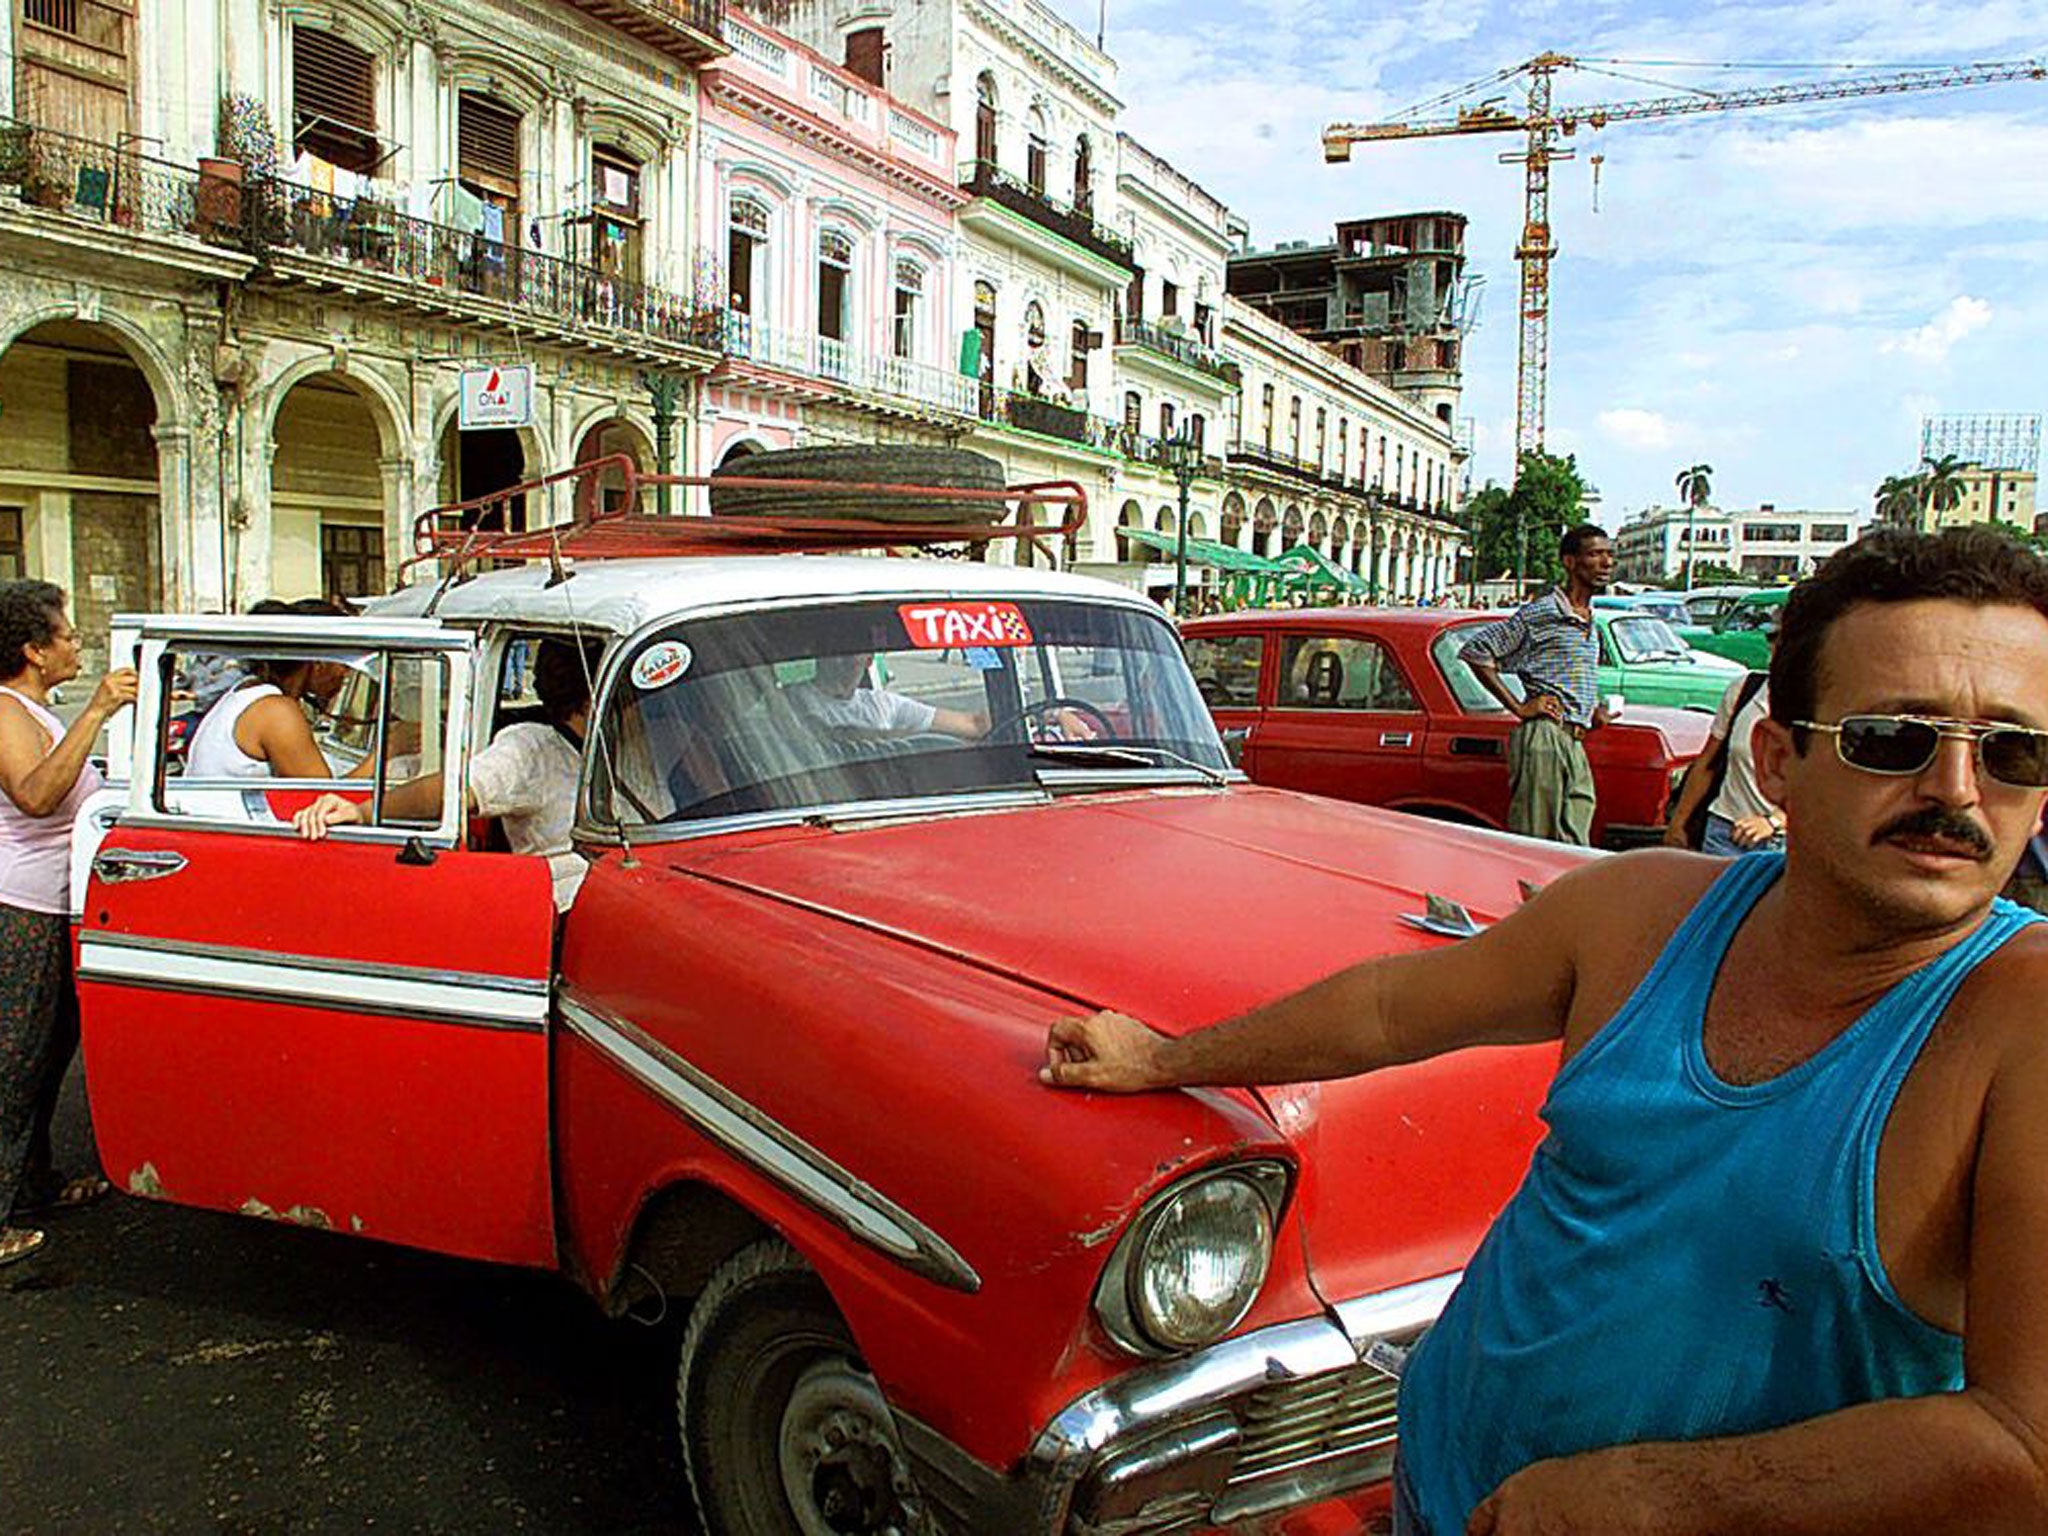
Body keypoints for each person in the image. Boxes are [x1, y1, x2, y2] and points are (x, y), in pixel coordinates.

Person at [1042, 525, 2048, 1535]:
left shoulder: (2017, 1022)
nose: (1955, 793)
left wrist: (1646, 1499)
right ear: (1775, 763)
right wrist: (1164, 1058)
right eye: (1890, 739)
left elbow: (2024, 1447)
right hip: (1442, 1483)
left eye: (2013, 751)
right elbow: (1392, 1009)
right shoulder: (1640, 911)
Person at [0, 581, 136, 1267]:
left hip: (53, 902)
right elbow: (36, 794)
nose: (77, 643)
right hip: (17, 908)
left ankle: (31, 1185)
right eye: (67, 634)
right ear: (32, 649)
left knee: (47, 1055)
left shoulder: (36, 711)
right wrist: (101, 708)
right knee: (12, 1062)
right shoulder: (4, 713)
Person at [293, 638, 601, 912]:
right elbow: (454, 790)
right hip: (567, 905)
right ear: (590, 702)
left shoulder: (624, 747)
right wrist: (362, 811)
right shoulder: (533, 748)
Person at [1458, 525, 1613, 844]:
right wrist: (1519, 707)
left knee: (1574, 843)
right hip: (1545, 738)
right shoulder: (1544, 613)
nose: (1606, 562)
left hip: (1574, 739)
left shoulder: (1589, 620)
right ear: (1570, 562)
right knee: (1537, 841)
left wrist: (1591, 710)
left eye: (1609, 554)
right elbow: (1477, 650)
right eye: (1595, 554)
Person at [1664, 630, 1783, 857]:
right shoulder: (1746, 690)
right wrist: (1679, 822)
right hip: (1725, 831)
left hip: (1781, 842)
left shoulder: (1819, 706)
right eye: (1775, 643)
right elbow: (1708, 762)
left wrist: (1775, 821)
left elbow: (1824, 788)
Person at [790, 652, 987, 740]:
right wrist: (904, 739)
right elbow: (832, 735)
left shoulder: (882, 703)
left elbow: (973, 725)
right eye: (834, 650)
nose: (842, 660)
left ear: (869, 659)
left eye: (852, 652)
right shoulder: (794, 698)